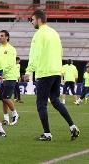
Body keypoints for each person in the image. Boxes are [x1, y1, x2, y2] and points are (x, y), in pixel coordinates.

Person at [23, 10, 80, 141]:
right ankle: (72, 126)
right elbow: (61, 52)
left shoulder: (39, 35)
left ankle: (47, 134)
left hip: (45, 72)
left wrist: (28, 71)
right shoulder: (54, 33)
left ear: (38, 20)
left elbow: (34, 54)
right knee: (55, 100)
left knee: (41, 104)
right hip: (56, 71)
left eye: (32, 20)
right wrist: (58, 69)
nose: (31, 22)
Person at [0, 30, 20, 125]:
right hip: (2, 77)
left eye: (2, 36)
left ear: (7, 37)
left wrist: (0, 72)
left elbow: (10, 64)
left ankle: (15, 114)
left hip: (10, 76)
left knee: (5, 97)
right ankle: (6, 118)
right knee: (2, 98)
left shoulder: (11, 49)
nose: (0, 37)